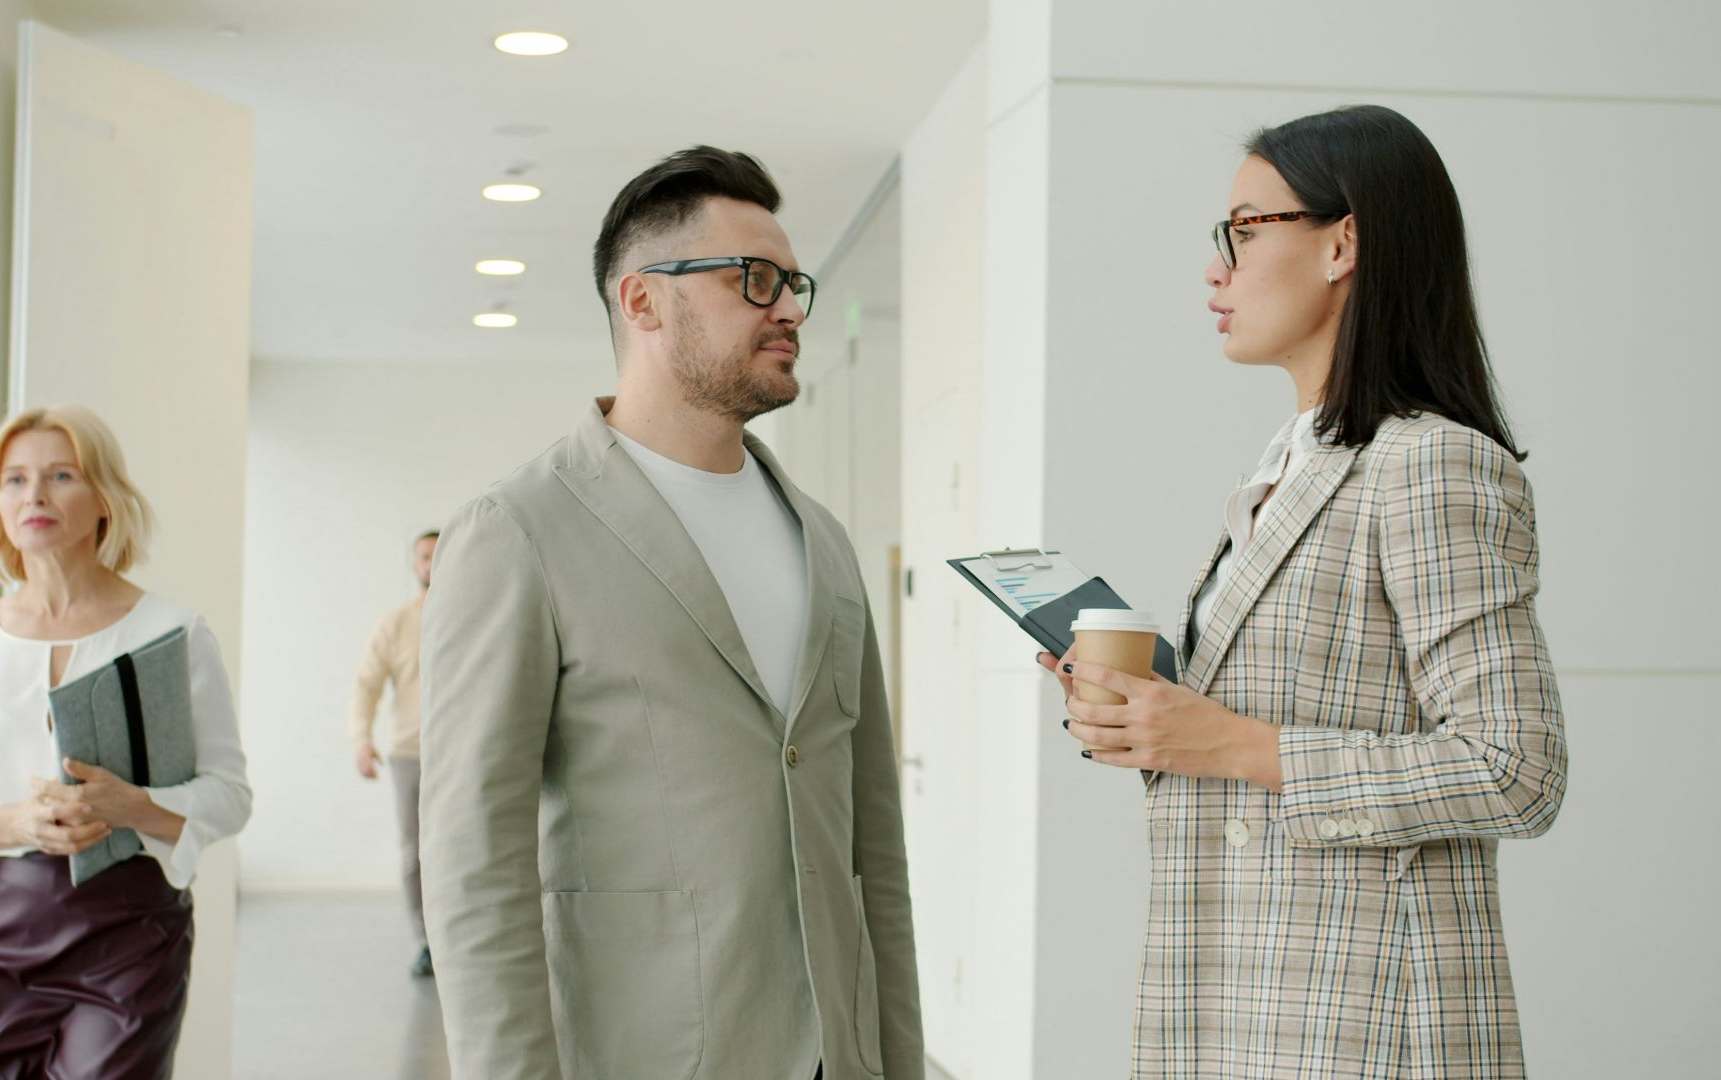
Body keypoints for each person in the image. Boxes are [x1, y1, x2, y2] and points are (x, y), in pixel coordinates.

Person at [1041, 105, 1569, 1077]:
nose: (1216, 267)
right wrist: (1149, 712)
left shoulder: (1434, 464)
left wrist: (1236, 744)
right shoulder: (1295, 462)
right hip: (1247, 985)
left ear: (1344, 241)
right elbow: (1271, 717)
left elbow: (1515, 769)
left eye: (1241, 231)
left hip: (1367, 1017)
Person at [420, 146, 922, 1080]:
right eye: (755, 279)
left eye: (794, 283)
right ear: (642, 300)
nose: (788, 310)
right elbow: (471, 861)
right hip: (640, 1050)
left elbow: (873, 850)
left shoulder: (824, 541)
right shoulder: (518, 531)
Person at [0, 405, 253, 1079]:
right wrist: (11, 821)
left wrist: (130, 805)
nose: (36, 497)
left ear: (105, 498)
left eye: (61, 475)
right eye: (15, 480)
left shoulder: (173, 632)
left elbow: (229, 798)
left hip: (127, 935)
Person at [350, 528, 439, 977]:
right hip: (410, 755)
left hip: (464, 757)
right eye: (425, 556)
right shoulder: (396, 624)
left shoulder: (476, 616)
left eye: (440, 555)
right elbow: (366, 684)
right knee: (416, 853)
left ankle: (459, 937)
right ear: (413, 565)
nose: (432, 563)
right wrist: (361, 739)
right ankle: (426, 942)